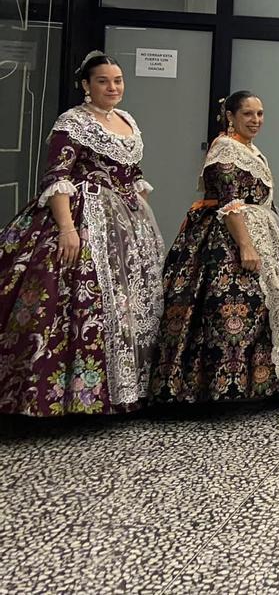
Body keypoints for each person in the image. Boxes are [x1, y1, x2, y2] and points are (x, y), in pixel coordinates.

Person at [0, 51, 164, 416]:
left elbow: (132, 171)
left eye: (117, 80)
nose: (112, 87)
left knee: (128, 302)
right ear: (86, 85)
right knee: (74, 301)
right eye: (103, 81)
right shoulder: (72, 122)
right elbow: (57, 177)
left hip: (127, 223)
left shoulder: (126, 120)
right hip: (83, 216)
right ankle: (69, 396)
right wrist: (67, 228)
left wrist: (137, 196)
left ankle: (128, 390)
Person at [150, 92, 279, 403]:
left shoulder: (250, 149)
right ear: (231, 116)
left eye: (260, 114)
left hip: (259, 229)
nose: (256, 120)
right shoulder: (225, 148)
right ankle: (212, 386)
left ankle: (254, 383)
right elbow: (229, 200)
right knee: (224, 306)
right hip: (226, 236)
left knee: (257, 306)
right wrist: (245, 245)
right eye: (248, 114)